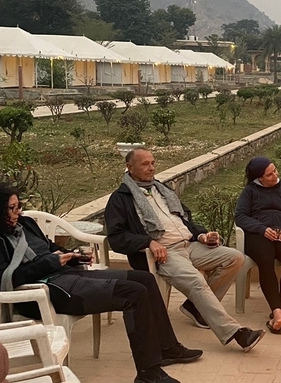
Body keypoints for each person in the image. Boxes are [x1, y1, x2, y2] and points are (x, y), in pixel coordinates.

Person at [0, 182, 202, 383]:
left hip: (66, 276)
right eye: (12, 208)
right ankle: (148, 372)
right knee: (134, 293)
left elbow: (49, 248)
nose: (18, 212)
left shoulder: (25, 224)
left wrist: (72, 256)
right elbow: (0, 282)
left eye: (18, 206)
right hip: (44, 293)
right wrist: (50, 263)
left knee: (144, 279)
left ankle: (168, 348)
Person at [106, 148, 264, 353]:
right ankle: (236, 333)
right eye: (145, 164)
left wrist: (202, 235)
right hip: (164, 253)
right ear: (129, 167)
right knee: (196, 281)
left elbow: (184, 220)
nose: (151, 168)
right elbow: (116, 238)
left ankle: (195, 308)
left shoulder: (161, 189)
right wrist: (148, 242)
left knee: (234, 257)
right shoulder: (120, 199)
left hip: (189, 244)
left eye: (153, 163)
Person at [235, 156, 281, 334]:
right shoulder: (250, 192)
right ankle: (276, 311)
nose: (275, 175)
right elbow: (241, 217)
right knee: (265, 259)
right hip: (259, 236)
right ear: (259, 178)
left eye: (275, 170)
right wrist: (261, 229)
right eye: (269, 174)